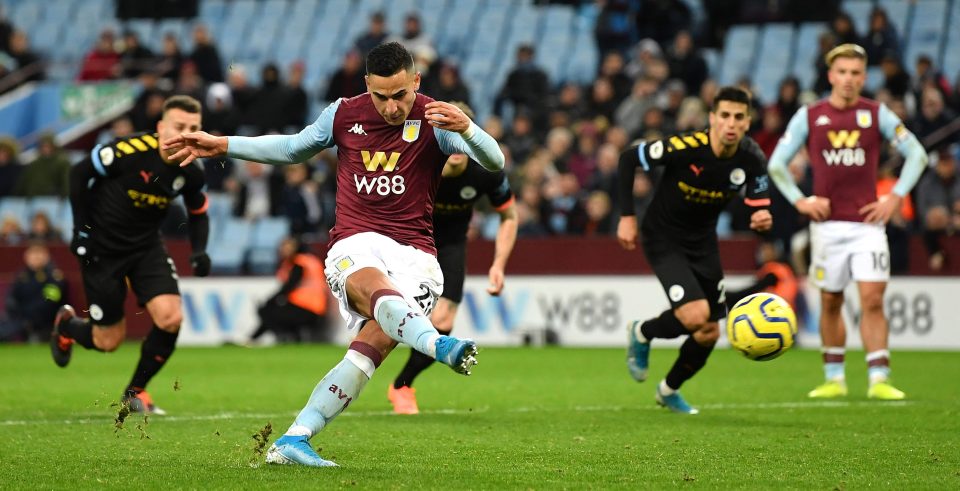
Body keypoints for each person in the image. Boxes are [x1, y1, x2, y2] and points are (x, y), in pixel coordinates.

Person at [162, 42, 504, 467]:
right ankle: (437, 344)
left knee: (365, 354)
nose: (392, 107)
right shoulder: (344, 113)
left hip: (417, 254)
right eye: (381, 96)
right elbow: (292, 149)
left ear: (416, 81)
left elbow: (494, 161)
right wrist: (225, 145)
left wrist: (470, 129)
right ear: (367, 86)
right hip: (355, 240)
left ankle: (294, 438)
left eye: (400, 95)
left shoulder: (436, 117)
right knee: (373, 285)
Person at [768, 44, 927, 401]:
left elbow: (916, 154)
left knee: (872, 299)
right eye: (842, 72)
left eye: (856, 73)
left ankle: (878, 377)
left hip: (867, 226)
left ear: (864, 76)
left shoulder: (877, 114)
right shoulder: (810, 116)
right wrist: (800, 201)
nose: (849, 79)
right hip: (826, 228)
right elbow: (776, 164)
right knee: (830, 301)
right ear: (830, 76)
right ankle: (834, 377)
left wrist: (895, 196)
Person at [50, 95, 212, 415]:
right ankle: (67, 326)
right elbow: (78, 174)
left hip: (146, 246)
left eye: (194, 128)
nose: (187, 134)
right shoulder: (127, 151)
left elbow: (198, 211)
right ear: (161, 127)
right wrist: (80, 231)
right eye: (180, 126)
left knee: (171, 317)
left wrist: (200, 251)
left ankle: (135, 392)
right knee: (108, 341)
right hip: (102, 247)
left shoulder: (192, 170)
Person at [618, 86, 772, 414]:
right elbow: (629, 157)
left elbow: (760, 205)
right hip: (663, 237)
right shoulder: (687, 147)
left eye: (739, 117)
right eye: (725, 116)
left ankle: (668, 390)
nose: (731, 123)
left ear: (747, 122)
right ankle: (642, 332)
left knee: (708, 333)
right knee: (696, 314)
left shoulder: (752, 158)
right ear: (713, 118)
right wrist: (627, 216)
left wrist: (762, 215)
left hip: (702, 242)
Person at [387, 102, 517, 414]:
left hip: (450, 246)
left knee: (443, 321)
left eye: (460, 129)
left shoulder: (485, 171)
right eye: (446, 131)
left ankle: (402, 386)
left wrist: (498, 264)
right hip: (408, 242)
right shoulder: (416, 163)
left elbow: (509, 216)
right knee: (384, 320)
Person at [249, 236, 331, 344]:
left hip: (306, 307)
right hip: (313, 307)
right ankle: (254, 339)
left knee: (266, 310)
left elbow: (290, 285)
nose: (284, 249)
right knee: (273, 311)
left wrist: (271, 300)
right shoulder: (309, 260)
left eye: (287, 246)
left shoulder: (299, 262)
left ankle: (268, 338)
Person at [3, 242, 67, 342]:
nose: (36, 258)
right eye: (33, 254)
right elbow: (11, 298)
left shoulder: (54, 277)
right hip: (21, 320)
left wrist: (28, 315)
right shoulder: (21, 276)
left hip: (45, 323)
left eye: (39, 254)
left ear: (46, 257)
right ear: (26, 257)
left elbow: (50, 301)